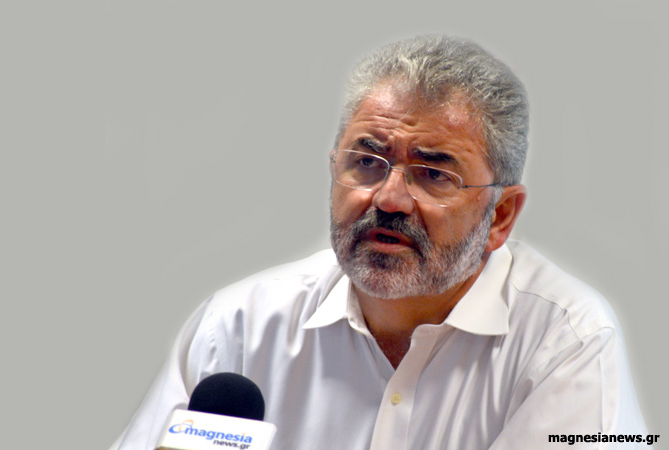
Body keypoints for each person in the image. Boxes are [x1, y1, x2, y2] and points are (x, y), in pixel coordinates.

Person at [110, 35, 648, 449]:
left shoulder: (568, 342)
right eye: (367, 162)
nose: (390, 198)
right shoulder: (239, 327)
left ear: (500, 215)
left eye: (434, 174)